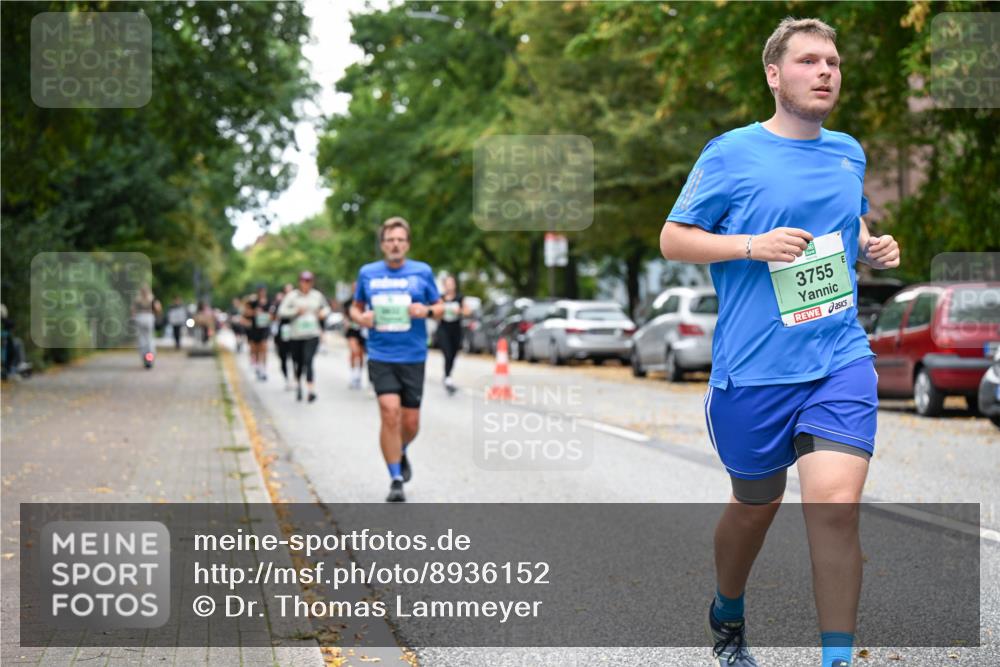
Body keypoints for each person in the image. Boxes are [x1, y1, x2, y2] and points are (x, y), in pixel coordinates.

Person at [659, 18, 900, 667]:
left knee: (836, 506)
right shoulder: (730, 153)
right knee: (754, 506)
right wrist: (750, 245)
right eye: (809, 61)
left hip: (837, 358)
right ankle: (727, 609)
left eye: (834, 62)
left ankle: (837, 658)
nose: (826, 71)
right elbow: (673, 238)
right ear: (774, 74)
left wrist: (872, 245)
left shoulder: (848, 151)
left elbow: (844, 224)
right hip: (755, 371)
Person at [350, 217, 442, 503]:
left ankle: (400, 451)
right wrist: (361, 318)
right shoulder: (368, 273)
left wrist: (424, 311)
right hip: (380, 353)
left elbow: (439, 308)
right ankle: (396, 478)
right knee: (390, 412)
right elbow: (355, 308)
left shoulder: (422, 272)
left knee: (410, 423)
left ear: (408, 244)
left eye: (401, 240)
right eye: (390, 240)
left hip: (413, 355)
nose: (395, 244)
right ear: (382, 244)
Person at [278, 271, 330, 402]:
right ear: (300, 282)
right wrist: (295, 311)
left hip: (312, 334)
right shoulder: (292, 296)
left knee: (309, 360)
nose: (306, 284)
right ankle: (299, 385)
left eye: (309, 281)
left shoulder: (317, 296)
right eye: (304, 281)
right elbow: (281, 311)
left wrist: (322, 313)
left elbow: (326, 308)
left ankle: (311, 390)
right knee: (298, 362)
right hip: (296, 335)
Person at [435, 275, 468, 395]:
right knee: (447, 353)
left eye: (452, 283)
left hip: (456, 329)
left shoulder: (460, 297)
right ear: (444, 285)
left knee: (453, 354)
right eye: (447, 283)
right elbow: (435, 315)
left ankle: (447, 376)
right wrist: (440, 311)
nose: (450, 286)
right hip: (443, 329)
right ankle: (448, 378)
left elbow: (467, 311)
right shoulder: (440, 298)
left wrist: (459, 311)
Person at [244, 285, 272, 381]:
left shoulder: (269, 302)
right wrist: (254, 312)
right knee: (255, 349)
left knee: (264, 348)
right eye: (260, 291)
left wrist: (268, 316)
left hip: (264, 328)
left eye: (263, 291)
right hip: (254, 329)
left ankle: (263, 369)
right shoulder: (253, 302)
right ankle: (257, 367)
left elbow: (273, 315)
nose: (262, 293)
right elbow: (245, 312)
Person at [343, 281, 367, 390]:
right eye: (354, 287)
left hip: (362, 330)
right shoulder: (348, 302)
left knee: (361, 355)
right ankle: (352, 375)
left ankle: (358, 376)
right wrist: (346, 322)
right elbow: (345, 315)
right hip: (352, 330)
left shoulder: (366, 300)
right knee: (354, 352)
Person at [132, 284, 162, 369]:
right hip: (149, 318)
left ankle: (144, 359)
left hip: (140, 318)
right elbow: (158, 308)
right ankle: (150, 359)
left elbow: (133, 311)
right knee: (149, 340)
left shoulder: (137, 300)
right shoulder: (152, 299)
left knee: (142, 339)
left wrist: (135, 318)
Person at [272, 284, 295, 390]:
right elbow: (273, 317)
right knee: (283, 357)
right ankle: (287, 379)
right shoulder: (278, 304)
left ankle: (295, 378)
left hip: (295, 332)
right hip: (282, 333)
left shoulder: (297, 302)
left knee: (296, 357)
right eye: (287, 291)